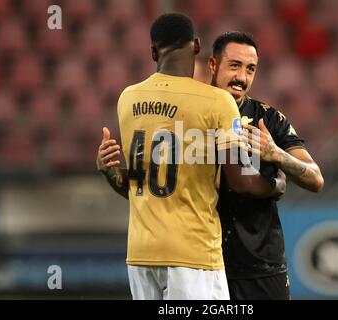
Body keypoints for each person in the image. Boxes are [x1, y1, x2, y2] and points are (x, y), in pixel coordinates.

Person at [96, 13, 283, 300]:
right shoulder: (217, 102)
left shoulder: (128, 98)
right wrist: (276, 184)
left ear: (153, 52)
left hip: (140, 254)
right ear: (196, 46)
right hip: (193, 254)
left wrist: (110, 172)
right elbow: (240, 181)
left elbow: (137, 186)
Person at [209, 31, 324, 300]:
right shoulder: (191, 117)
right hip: (205, 265)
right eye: (234, 66)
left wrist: (276, 154)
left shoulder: (269, 119)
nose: (242, 77)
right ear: (213, 65)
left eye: (250, 69)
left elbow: (315, 179)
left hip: (262, 265)